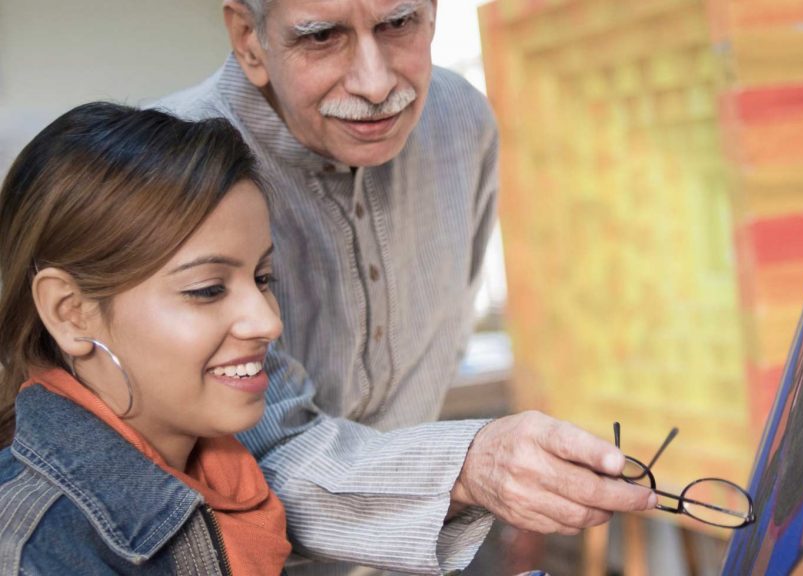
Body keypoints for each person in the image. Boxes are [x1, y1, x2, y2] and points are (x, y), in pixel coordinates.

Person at [155, 0, 657, 573]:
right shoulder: (162, 170)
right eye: (321, 37)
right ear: (249, 38)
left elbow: (447, 339)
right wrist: (466, 467)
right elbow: (246, 463)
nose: (375, 85)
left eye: (398, 23)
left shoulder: (461, 120)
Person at [0, 103, 292, 574]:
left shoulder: (230, 479)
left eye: (262, 278)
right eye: (207, 289)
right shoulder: (32, 553)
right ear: (70, 313)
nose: (268, 322)